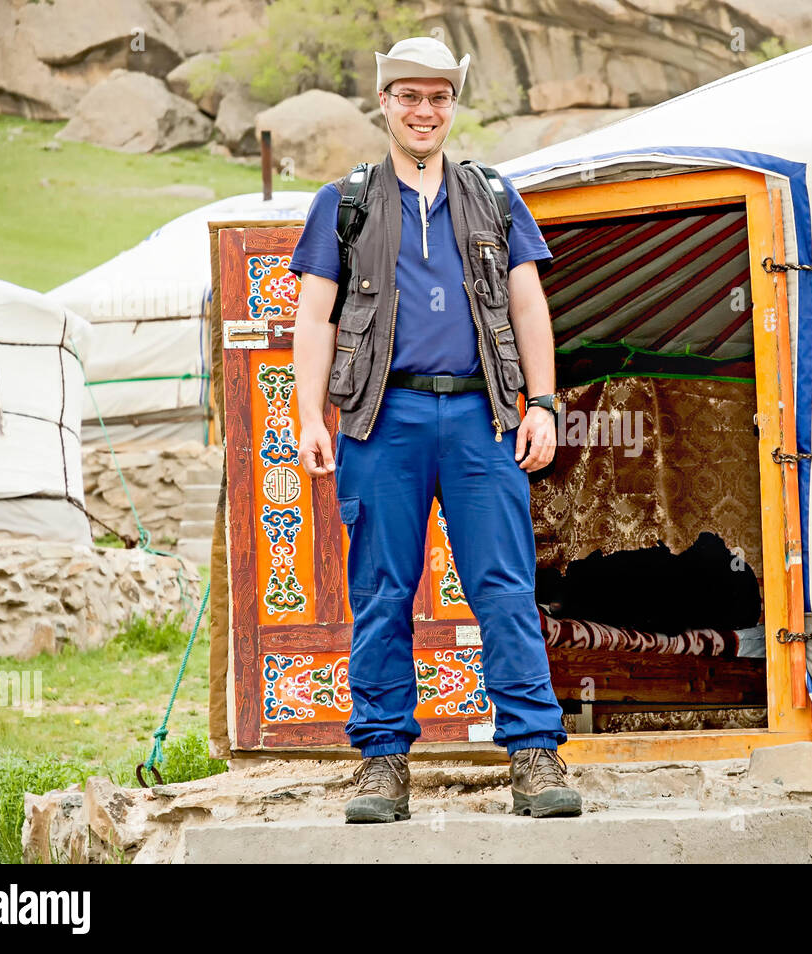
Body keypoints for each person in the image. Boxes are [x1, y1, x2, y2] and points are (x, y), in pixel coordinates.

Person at [290, 36, 580, 822]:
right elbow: (313, 316)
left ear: (453, 105)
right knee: (382, 591)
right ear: (384, 102)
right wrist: (309, 415)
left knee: (504, 587)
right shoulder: (343, 201)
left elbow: (527, 307)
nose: (424, 111)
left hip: (483, 417)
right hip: (383, 418)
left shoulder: (493, 193)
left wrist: (543, 404)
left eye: (438, 98)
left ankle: (533, 754)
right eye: (409, 97)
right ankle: (382, 762)